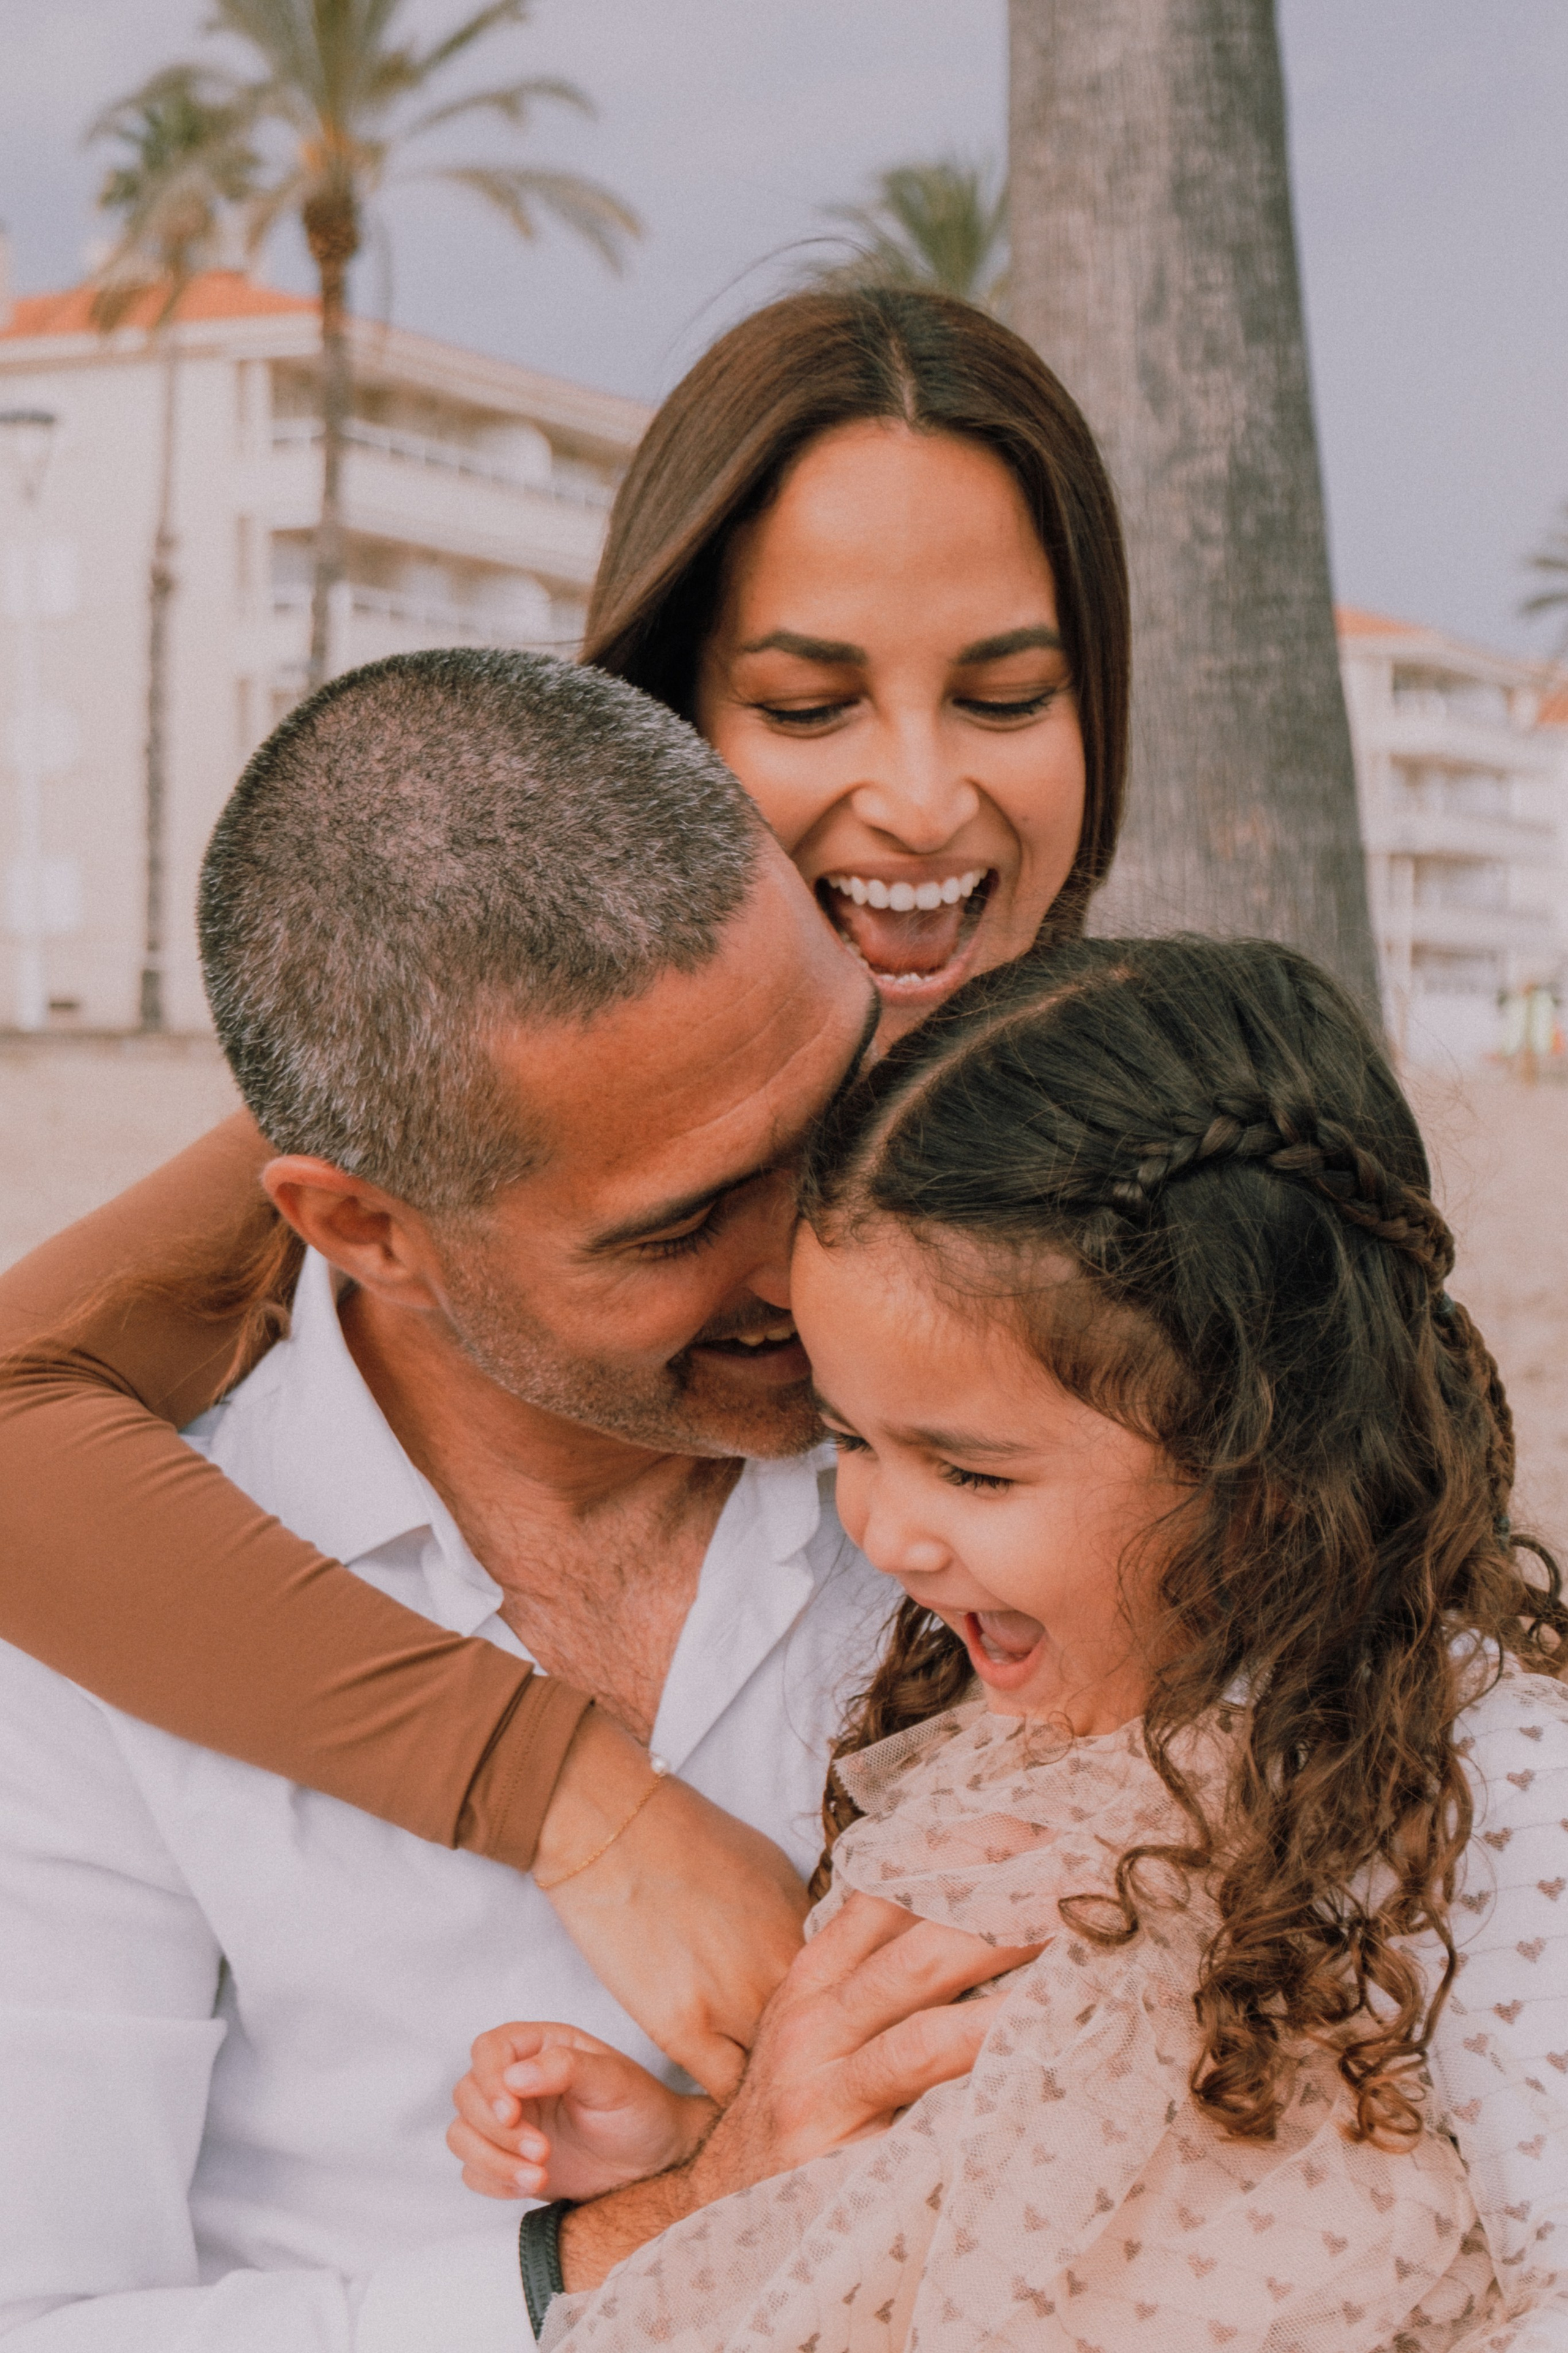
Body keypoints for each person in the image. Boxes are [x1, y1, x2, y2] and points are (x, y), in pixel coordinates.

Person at [0, 285, 1128, 2077]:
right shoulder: (512, 1111)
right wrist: (569, 1792)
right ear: (658, 728)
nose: (921, 798)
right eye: (808, 702)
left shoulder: (1183, 1123)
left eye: (1006, 694)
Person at [0, 649, 1015, 2349]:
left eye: (830, 1116)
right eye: (678, 1226)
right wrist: (638, 2244)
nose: (808, 1260)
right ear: (361, 1228)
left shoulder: (1016, 1429)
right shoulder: (76, 1632)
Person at [448, 937, 1568, 2352]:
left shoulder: (1487, 1787)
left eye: (969, 1474)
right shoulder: (986, 1744)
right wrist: (688, 2152)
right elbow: (943, 2158)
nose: (887, 1535)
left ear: (1260, 1448)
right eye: (850, 1440)